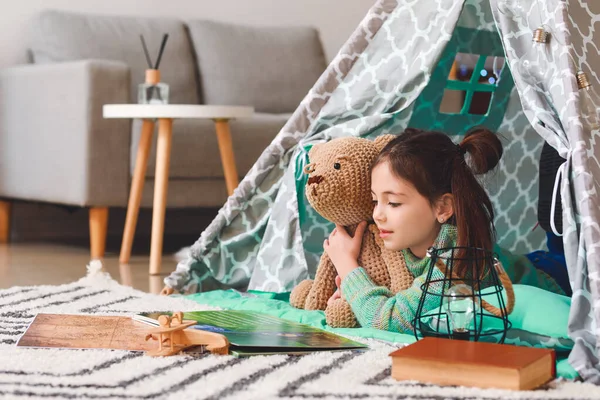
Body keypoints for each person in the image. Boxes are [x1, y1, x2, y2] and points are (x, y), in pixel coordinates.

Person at [324, 127, 566, 334]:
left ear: (443, 207)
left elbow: (387, 320)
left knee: (565, 239)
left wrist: (348, 266)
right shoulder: (397, 241)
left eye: (394, 203)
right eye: (375, 200)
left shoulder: (457, 263)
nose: (377, 214)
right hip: (522, 261)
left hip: (553, 275)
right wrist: (350, 295)